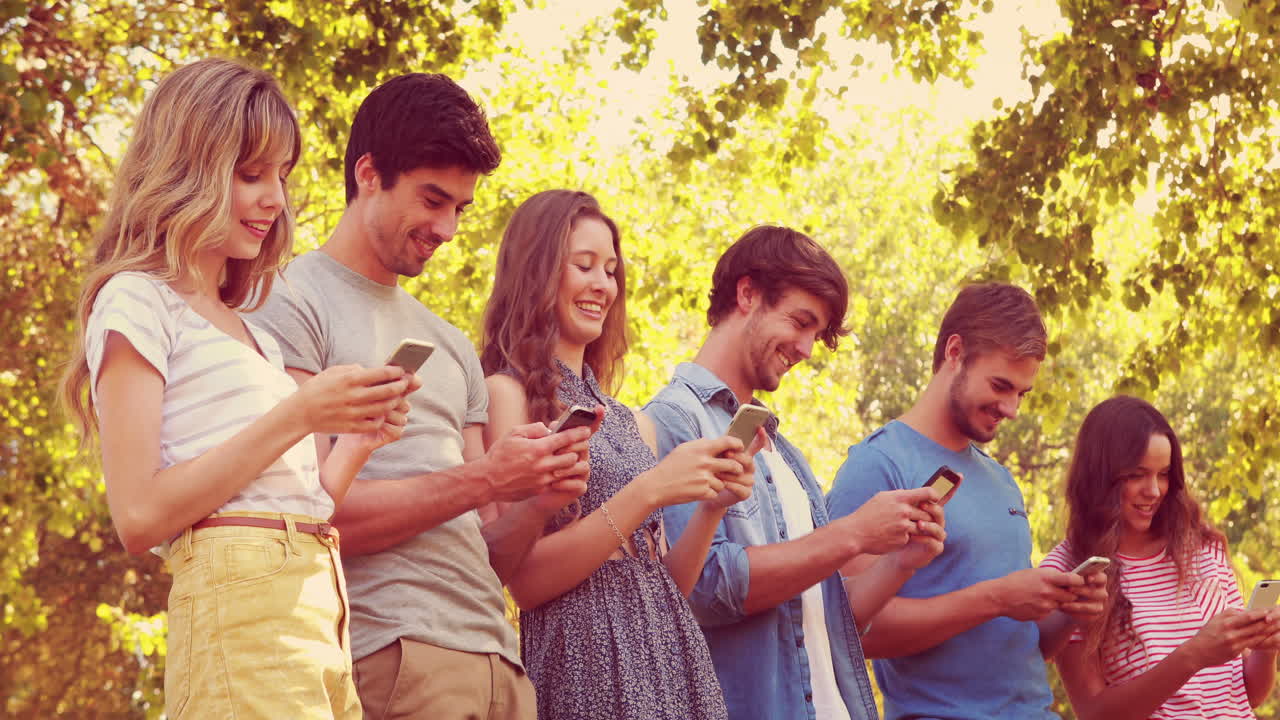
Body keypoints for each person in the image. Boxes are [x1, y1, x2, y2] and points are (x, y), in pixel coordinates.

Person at [60, 58, 417, 719]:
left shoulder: (254, 334)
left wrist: (356, 444)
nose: (275, 199)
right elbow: (138, 516)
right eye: (250, 174)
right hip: (239, 607)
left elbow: (301, 502)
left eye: (280, 176)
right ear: (185, 167)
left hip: (317, 608)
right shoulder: (137, 300)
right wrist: (298, 413)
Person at [251, 73, 590, 720]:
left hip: (501, 666)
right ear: (370, 173)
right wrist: (488, 478)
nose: (448, 228)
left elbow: (490, 554)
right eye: (433, 199)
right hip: (396, 657)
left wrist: (538, 501)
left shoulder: (452, 345)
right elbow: (313, 517)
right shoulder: (290, 302)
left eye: (460, 208)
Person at [480, 189, 763, 719]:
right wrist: (651, 489)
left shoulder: (635, 422)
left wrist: (712, 505)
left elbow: (665, 583)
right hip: (582, 661)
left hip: (673, 658)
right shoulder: (507, 395)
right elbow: (528, 583)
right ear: (536, 273)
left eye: (611, 270)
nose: (602, 285)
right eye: (583, 265)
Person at [643, 225, 946, 720]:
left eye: (816, 333)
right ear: (747, 294)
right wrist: (851, 535)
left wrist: (902, 564)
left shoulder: (786, 454)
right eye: (801, 322)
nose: (807, 349)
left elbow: (825, 614)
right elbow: (702, 590)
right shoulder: (673, 421)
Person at [826, 282, 1109, 720]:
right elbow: (854, 633)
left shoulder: (1001, 480)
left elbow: (1028, 644)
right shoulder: (877, 465)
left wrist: (1071, 613)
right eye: (1001, 385)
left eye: (1022, 393)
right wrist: (994, 598)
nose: (1012, 408)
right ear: (954, 352)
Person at [1041, 395, 1280, 719]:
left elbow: (1246, 695)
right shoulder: (1071, 570)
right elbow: (1094, 713)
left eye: (1164, 474)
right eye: (1136, 475)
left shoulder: (1203, 548)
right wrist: (1193, 655)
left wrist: (1265, 651)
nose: (1154, 490)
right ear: (1100, 477)